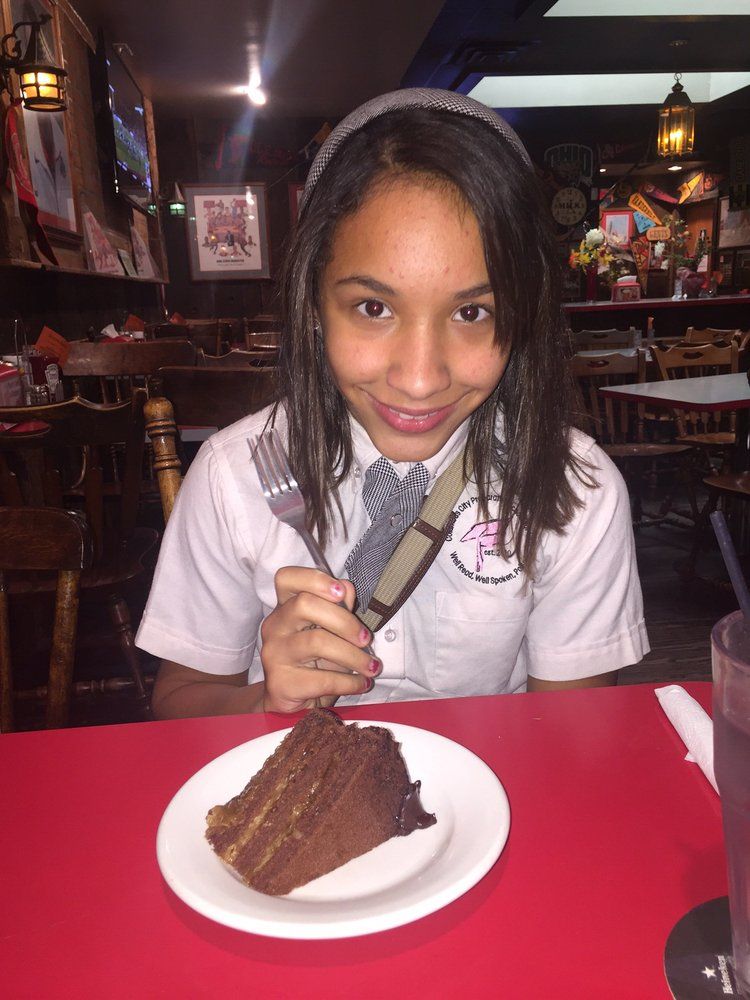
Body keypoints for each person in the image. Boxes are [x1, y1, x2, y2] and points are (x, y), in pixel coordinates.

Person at [136, 89, 649, 719]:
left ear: (524, 315)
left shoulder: (580, 490)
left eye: (472, 312)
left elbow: (573, 734)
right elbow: (177, 707)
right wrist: (265, 700)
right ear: (313, 304)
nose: (418, 379)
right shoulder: (234, 474)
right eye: (373, 308)